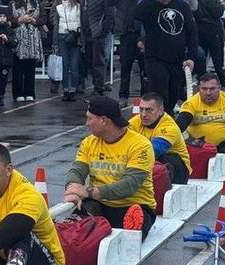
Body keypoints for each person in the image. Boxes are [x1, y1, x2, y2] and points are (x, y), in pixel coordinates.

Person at [64, 96, 157, 239]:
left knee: (130, 234)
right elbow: (77, 170)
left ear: (103, 121)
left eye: (90, 119)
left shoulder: (141, 145)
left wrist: (88, 192)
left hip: (134, 204)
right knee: (73, 233)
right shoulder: (89, 142)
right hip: (99, 204)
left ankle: (132, 231)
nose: (86, 123)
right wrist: (73, 187)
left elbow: (129, 186)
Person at [134, 0, 198, 114]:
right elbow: (137, 14)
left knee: (174, 93)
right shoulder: (150, 6)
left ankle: (168, 118)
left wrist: (191, 57)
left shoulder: (182, 6)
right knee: (160, 93)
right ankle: (161, 122)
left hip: (177, 59)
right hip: (156, 59)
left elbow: (192, 33)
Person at [175, 72, 225, 159]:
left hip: (224, 147)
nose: (208, 93)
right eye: (204, 89)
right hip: (198, 146)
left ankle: (223, 167)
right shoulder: (191, 103)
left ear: (219, 88)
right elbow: (180, 124)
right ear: (199, 89)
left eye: (212, 89)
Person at [128, 93, 191, 184]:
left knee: (155, 159)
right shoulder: (137, 120)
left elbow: (154, 150)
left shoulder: (169, 126)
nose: (143, 114)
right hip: (147, 161)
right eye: (141, 109)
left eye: (149, 110)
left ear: (160, 110)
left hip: (178, 168)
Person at [109, 0, 146, 106]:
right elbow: (110, 2)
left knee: (144, 68)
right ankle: (123, 95)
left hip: (141, 33)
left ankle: (145, 97)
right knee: (125, 66)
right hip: (126, 33)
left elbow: (144, 8)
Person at [194, 0, 225, 87]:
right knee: (217, 55)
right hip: (212, 29)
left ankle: (201, 76)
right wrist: (222, 5)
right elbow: (218, 13)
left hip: (199, 28)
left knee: (202, 54)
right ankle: (221, 77)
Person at [10, 0, 43, 102]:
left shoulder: (36, 2)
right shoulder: (13, 3)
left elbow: (43, 19)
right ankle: (17, 93)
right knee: (18, 67)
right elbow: (9, 21)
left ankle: (30, 92)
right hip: (19, 37)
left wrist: (34, 20)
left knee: (30, 68)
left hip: (33, 37)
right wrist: (20, 19)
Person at [80, 0, 112, 96]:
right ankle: (95, 86)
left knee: (98, 61)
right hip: (86, 33)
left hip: (98, 32)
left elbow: (109, 13)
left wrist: (103, 30)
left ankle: (99, 88)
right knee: (90, 61)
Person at [51, 0, 82, 102]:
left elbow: (80, 23)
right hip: (62, 36)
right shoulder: (59, 7)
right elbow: (55, 23)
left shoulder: (78, 7)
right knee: (64, 65)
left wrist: (77, 34)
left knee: (74, 65)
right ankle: (65, 90)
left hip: (74, 37)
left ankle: (72, 90)